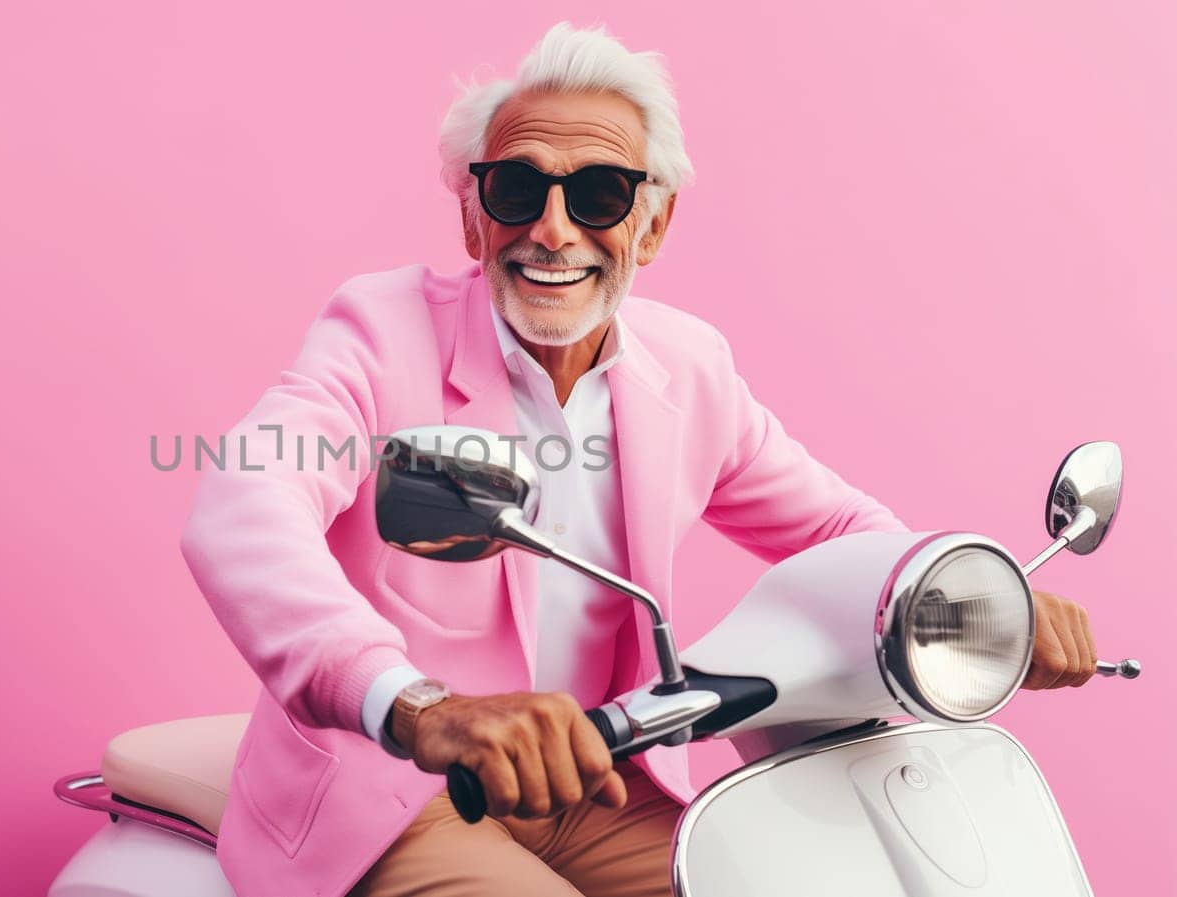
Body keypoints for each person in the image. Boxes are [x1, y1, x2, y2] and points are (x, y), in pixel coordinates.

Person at [179, 22, 1100, 897]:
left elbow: (833, 529)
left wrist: (980, 595)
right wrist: (420, 708)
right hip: (394, 790)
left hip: (598, 779)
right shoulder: (379, 333)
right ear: (473, 218)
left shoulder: (687, 370)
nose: (552, 228)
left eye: (599, 195)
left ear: (651, 227)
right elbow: (245, 507)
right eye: (515, 189)